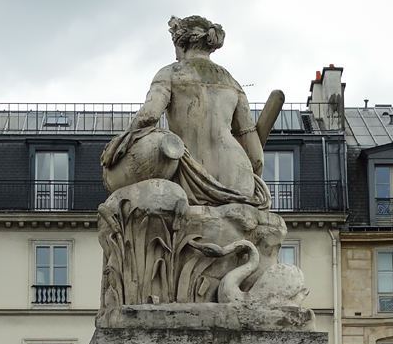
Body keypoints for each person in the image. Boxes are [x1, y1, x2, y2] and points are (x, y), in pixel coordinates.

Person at [101, 15, 274, 209]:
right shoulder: (233, 83)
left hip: (191, 172)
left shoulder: (170, 73)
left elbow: (149, 115)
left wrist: (122, 142)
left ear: (180, 44)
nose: (175, 55)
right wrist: (251, 176)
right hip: (237, 174)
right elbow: (256, 157)